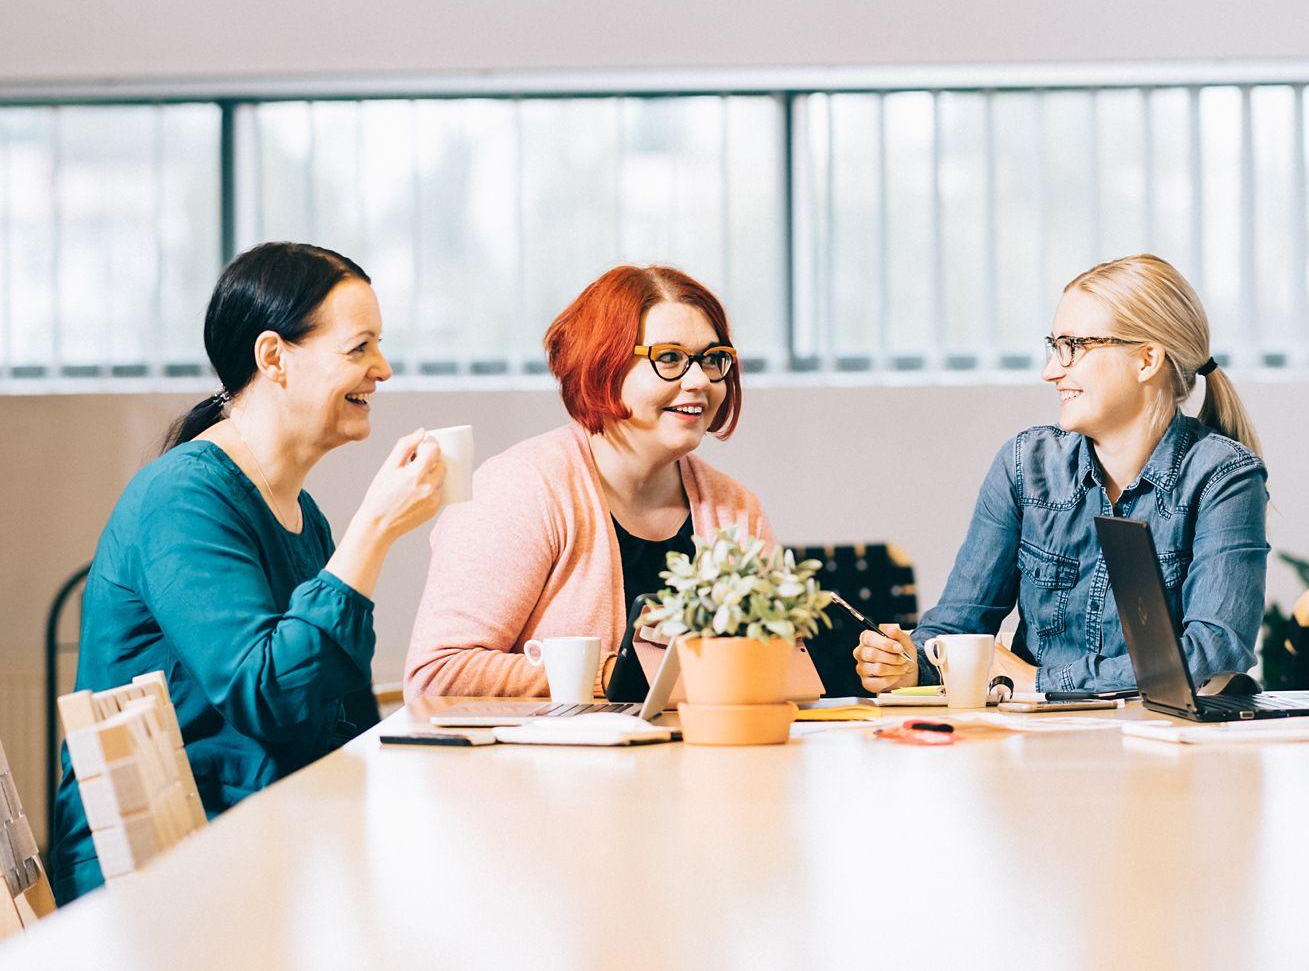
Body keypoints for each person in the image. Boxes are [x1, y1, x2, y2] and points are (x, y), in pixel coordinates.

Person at [51, 242, 445, 902]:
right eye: (359, 347)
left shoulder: (301, 512)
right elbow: (265, 691)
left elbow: (326, 706)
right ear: (273, 357)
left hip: (261, 837)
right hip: (159, 867)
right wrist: (373, 529)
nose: (382, 368)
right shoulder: (183, 497)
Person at [853, 254, 1269, 694]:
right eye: (1054, 346)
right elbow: (958, 626)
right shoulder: (1025, 465)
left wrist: (1041, 681)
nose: (1051, 371)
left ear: (1146, 360)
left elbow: (1213, 648)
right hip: (1035, 744)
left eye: (1073, 347)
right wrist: (908, 663)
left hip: (1163, 745)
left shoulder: (1225, 477)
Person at [404, 265, 775, 699]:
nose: (700, 381)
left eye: (713, 359)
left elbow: (773, 667)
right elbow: (436, 675)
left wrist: (864, 665)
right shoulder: (520, 489)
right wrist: (609, 675)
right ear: (603, 367)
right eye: (670, 358)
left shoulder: (733, 506)